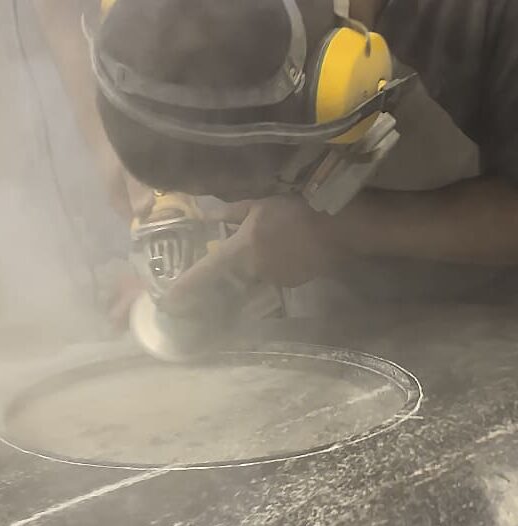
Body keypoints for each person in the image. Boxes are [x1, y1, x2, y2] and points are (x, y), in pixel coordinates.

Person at [93, 0, 518, 314]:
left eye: (265, 183)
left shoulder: (486, 18)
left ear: (332, 93)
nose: (230, 203)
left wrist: (343, 229)